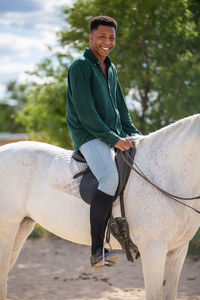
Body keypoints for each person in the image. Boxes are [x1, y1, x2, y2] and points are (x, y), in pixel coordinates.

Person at [67, 16, 140, 270]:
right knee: (109, 178)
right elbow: (87, 115)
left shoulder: (111, 67)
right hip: (89, 135)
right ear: (91, 38)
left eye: (111, 38)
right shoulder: (80, 67)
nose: (107, 42)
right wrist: (114, 139)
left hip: (112, 132)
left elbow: (120, 106)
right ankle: (97, 250)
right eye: (102, 37)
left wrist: (133, 134)